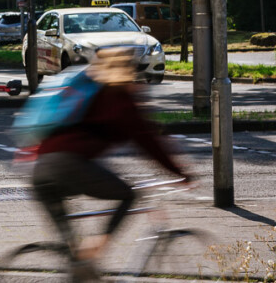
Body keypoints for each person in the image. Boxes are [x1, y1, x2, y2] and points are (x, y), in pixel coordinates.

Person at [28, 48, 192, 280]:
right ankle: (98, 244)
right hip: (69, 165)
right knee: (128, 195)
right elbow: (149, 143)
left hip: (41, 169)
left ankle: (81, 266)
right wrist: (181, 173)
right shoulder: (120, 99)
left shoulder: (87, 93)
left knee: (77, 258)